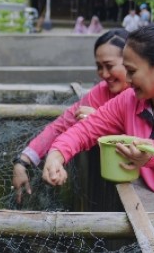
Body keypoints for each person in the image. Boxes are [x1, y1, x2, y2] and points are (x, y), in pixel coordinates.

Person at [42, 25, 154, 211]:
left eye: (132, 71)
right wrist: (56, 156)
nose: (128, 79)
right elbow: (86, 129)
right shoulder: (129, 100)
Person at [12, 28, 130, 203]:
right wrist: (22, 162)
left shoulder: (141, 96)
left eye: (109, 66)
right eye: (99, 67)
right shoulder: (102, 92)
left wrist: (100, 121)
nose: (104, 74)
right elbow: (61, 126)